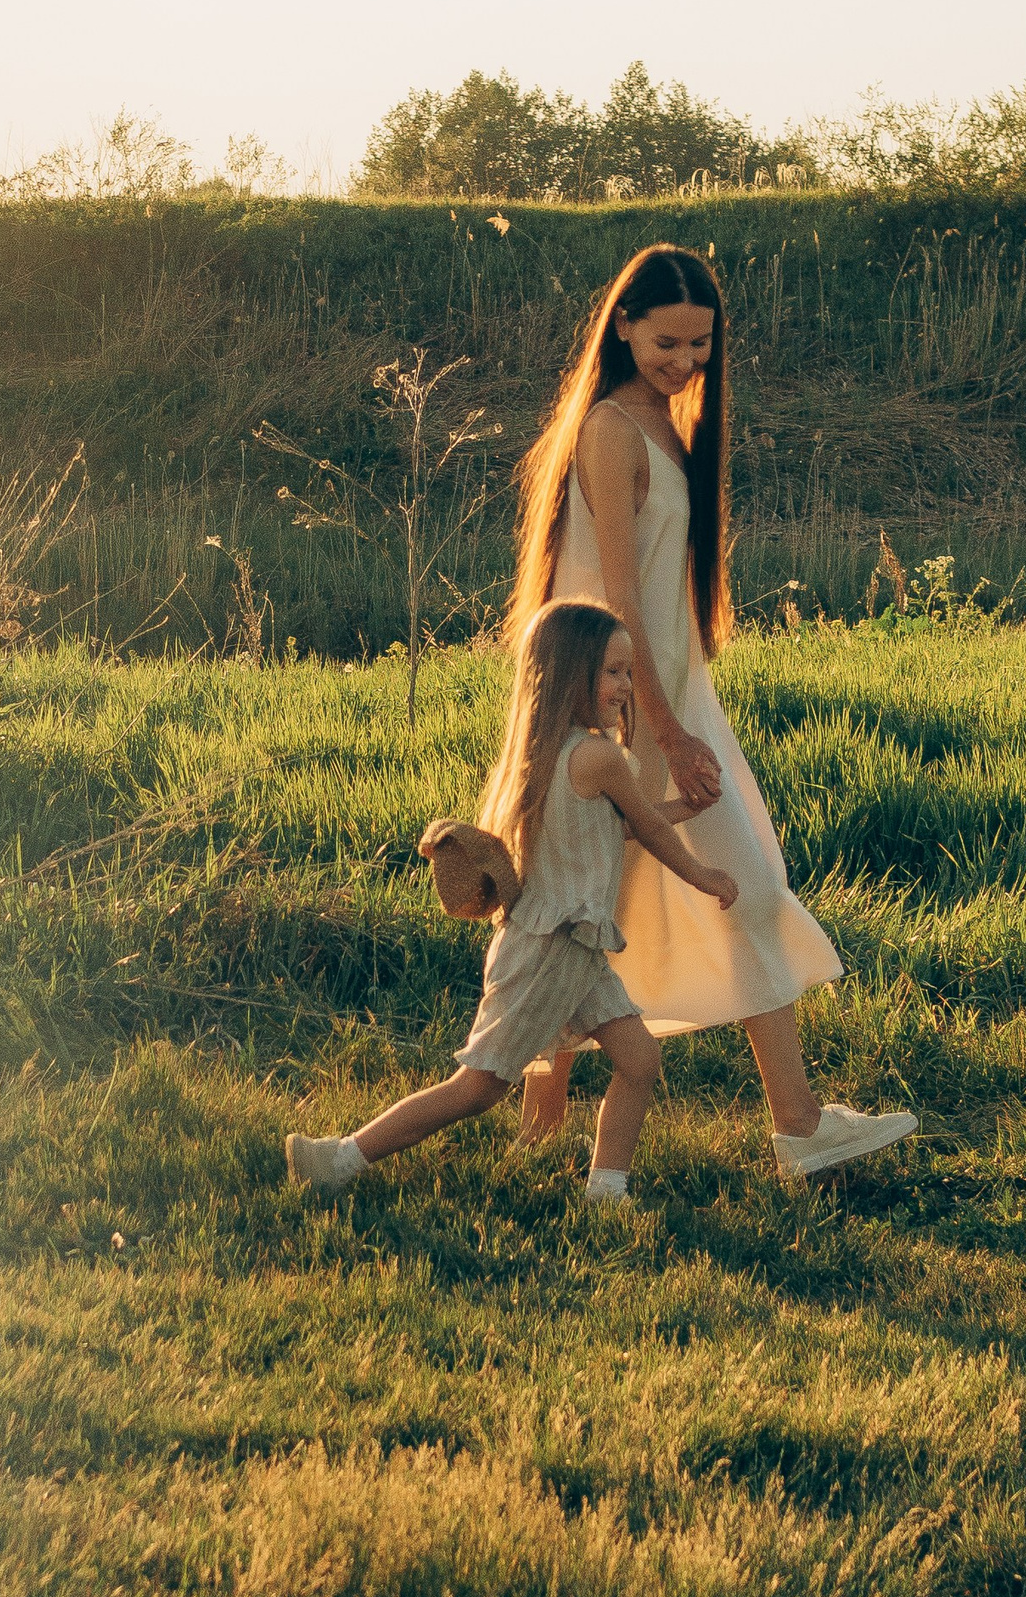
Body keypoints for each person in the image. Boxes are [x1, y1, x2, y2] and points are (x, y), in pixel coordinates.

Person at [507, 242, 918, 1186]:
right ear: (622, 326)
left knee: (690, 895)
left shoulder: (665, 423)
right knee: (598, 903)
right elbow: (617, 600)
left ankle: (790, 1124)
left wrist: (682, 713)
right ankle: (546, 1121)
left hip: (669, 700)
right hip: (619, 710)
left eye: (700, 345)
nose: (685, 361)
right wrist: (665, 729)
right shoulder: (612, 428)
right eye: (666, 342)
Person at [286, 600, 737, 1209]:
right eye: (612, 672)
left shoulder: (548, 752)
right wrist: (704, 875)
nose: (626, 686)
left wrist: (686, 807)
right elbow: (648, 831)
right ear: (572, 673)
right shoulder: (598, 757)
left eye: (629, 672)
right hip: (550, 950)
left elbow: (618, 828)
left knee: (639, 1059)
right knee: (476, 1089)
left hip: (572, 945)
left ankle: (607, 1192)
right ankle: (339, 1158)